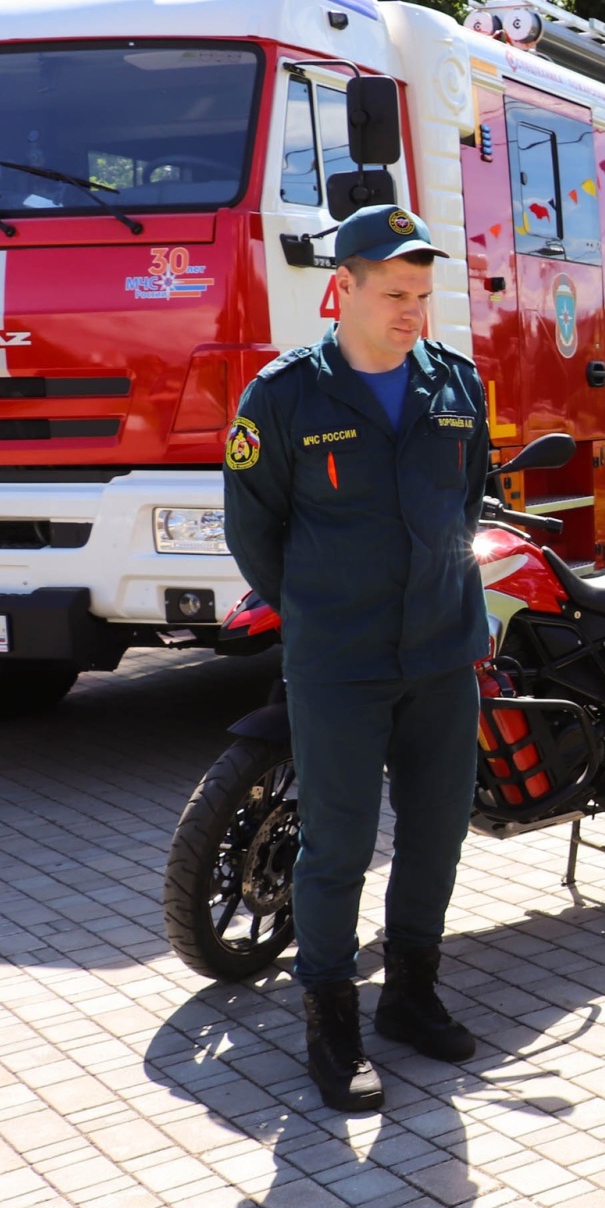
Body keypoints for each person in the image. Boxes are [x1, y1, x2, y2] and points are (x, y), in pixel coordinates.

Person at [223, 204, 490, 1112]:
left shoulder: (455, 384)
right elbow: (255, 530)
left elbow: (469, 508)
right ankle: (330, 1018)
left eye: (423, 292)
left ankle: (411, 995)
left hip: (442, 653)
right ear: (343, 289)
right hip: (340, 658)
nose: (414, 310)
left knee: (437, 832)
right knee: (336, 845)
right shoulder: (285, 395)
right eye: (394, 293)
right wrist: (320, 605)